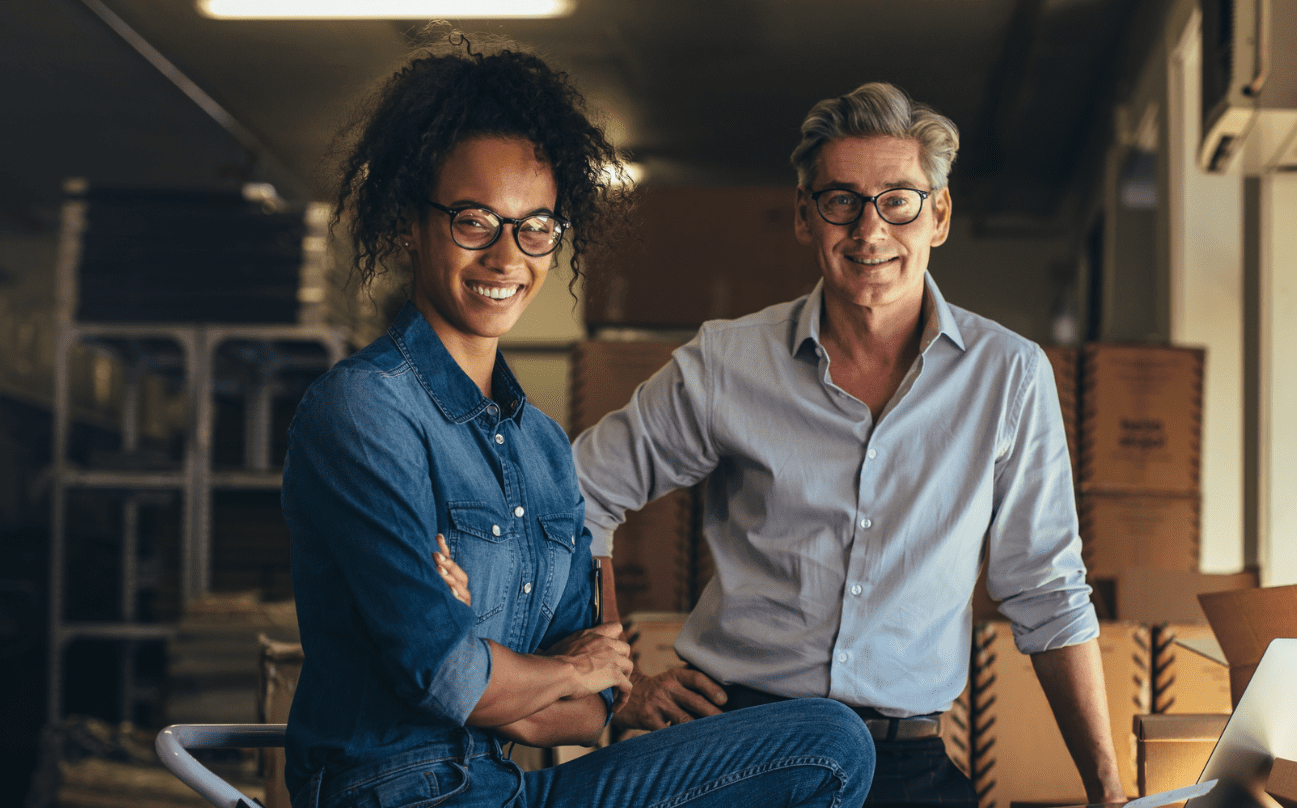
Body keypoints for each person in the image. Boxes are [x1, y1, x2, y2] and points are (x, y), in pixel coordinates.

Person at [281, 36, 875, 808]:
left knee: (830, 743)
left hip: (505, 790)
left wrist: (514, 670)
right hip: (398, 792)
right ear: (407, 223)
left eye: (535, 228)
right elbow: (452, 679)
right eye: (473, 221)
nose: (507, 256)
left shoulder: (542, 449)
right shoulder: (363, 411)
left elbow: (588, 716)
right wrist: (559, 669)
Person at [566, 82, 1125, 807]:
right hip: (738, 747)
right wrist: (620, 682)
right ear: (805, 216)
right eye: (841, 201)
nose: (869, 230)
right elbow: (578, 494)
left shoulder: (1009, 376)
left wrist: (1109, 792)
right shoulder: (727, 364)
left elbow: (1048, 592)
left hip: (906, 760)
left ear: (940, 215)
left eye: (898, 199)